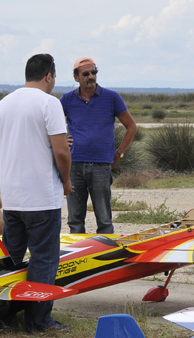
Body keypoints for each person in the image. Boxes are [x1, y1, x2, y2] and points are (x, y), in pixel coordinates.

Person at [0, 53, 72, 332]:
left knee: (10, 258)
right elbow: (61, 151)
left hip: (13, 197)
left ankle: (2, 316)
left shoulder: (1, 105)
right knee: (44, 258)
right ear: (49, 76)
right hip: (42, 197)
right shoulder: (50, 103)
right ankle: (38, 320)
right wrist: (67, 180)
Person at [59, 57, 137, 234]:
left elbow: (131, 127)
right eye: (85, 74)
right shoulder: (67, 100)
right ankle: (79, 258)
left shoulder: (111, 98)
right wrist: (62, 140)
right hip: (74, 166)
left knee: (104, 220)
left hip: (102, 166)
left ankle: (106, 258)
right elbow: (49, 125)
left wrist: (118, 154)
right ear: (76, 77)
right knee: (75, 221)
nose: (91, 76)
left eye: (94, 72)